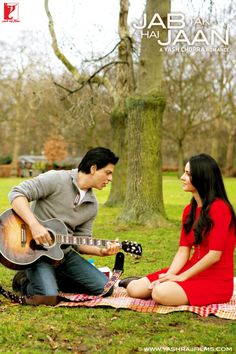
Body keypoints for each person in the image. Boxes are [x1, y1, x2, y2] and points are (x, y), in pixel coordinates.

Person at [126, 154, 236, 306]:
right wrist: (171, 274)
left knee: (160, 293)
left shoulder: (220, 208)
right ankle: (162, 284)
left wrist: (181, 277)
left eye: (188, 174)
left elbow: (214, 256)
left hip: (215, 281)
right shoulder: (188, 210)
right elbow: (183, 250)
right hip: (189, 270)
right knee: (134, 289)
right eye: (184, 172)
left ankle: (171, 288)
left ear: (203, 178)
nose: (182, 177)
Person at [9, 147, 120, 297]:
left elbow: (81, 241)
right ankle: (24, 282)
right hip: (34, 251)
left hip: (64, 255)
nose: (110, 179)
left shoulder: (92, 205)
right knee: (49, 296)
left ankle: (50, 279)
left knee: (106, 289)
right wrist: (34, 225)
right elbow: (16, 194)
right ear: (93, 168)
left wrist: (101, 251)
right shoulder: (56, 179)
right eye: (108, 173)